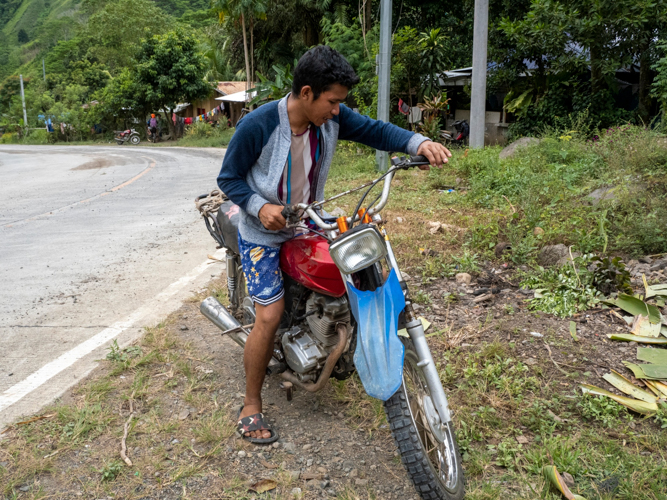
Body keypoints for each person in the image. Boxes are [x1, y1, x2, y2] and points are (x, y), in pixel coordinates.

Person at [217, 45, 451, 443]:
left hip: (309, 220)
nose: (338, 110)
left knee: (354, 273)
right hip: (262, 231)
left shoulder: (329, 121)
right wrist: (260, 208)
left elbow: (376, 131)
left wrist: (417, 142)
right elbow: (229, 179)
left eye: (341, 103)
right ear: (306, 93)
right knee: (269, 316)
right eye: (333, 101)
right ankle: (252, 403)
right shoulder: (258, 124)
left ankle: (332, 341)